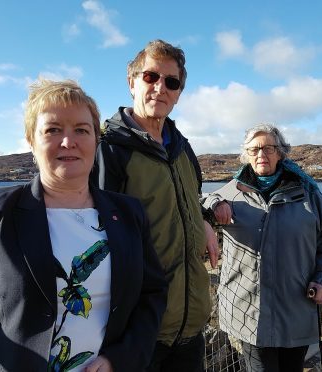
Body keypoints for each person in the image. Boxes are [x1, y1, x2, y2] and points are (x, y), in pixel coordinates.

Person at [0, 79, 167, 372]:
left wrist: (121, 359)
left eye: (81, 130)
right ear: (31, 141)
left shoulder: (129, 213)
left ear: (95, 140)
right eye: (53, 130)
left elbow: (152, 294)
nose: (69, 141)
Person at [92, 39, 218, 372]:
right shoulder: (109, 150)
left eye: (171, 82)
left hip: (190, 326)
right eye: (151, 77)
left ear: (178, 93)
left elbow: (191, 201)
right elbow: (97, 232)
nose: (160, 88)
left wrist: (204, 221)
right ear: (132, 81)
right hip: (141, 333)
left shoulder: (182, 147)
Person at [203, 124, 322, 372]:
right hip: (246, 310)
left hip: (297, 307)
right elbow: (197, 205)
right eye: (254, 149)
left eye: (269, 148)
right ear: (246, 155)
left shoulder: (306, 193)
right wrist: (214, 203)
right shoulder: (230, 192)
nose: (261, 155)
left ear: (280, 153)